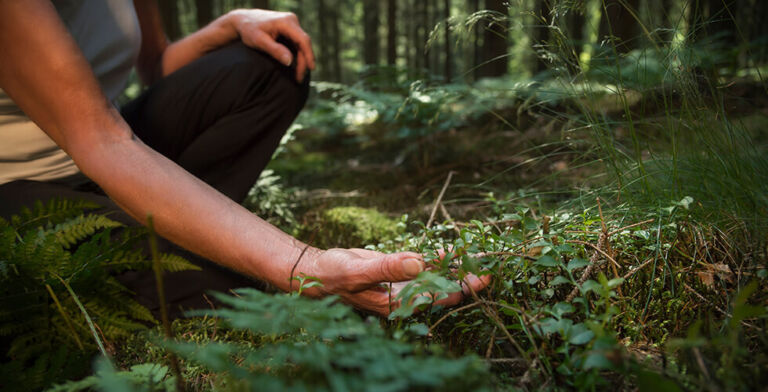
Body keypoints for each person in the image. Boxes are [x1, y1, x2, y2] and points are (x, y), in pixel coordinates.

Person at [0, 0, 489, 318]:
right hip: (24, 184)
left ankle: (184, 231)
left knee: (271, 65)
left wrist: (230, 25)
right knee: (232, 280)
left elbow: (156, 66)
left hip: (114, 142)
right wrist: (305, 264)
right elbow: (99, 140)